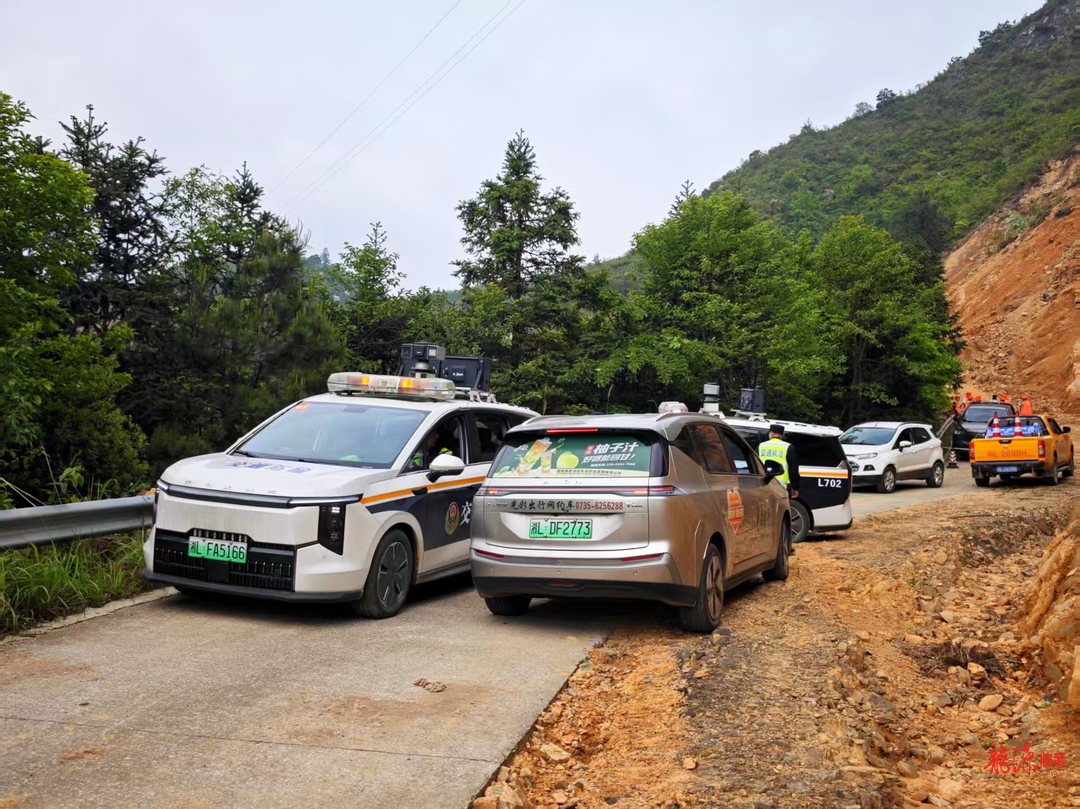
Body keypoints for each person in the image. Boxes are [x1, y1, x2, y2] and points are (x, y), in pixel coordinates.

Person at [758, 424, 801, 553]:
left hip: (763, 486)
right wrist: (795, 487)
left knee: (762, 518)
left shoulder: (761, 446)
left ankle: (761, 546)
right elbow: (793, 470)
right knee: (783, 518)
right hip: (780, 488)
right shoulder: (788, 448)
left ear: (771, 433)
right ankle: (786, 546)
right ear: (782, 435)